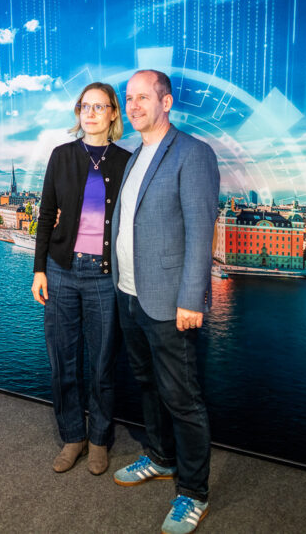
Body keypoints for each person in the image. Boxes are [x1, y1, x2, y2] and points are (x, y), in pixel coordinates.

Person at [110, 69, 219, 534]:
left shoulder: (193, 154)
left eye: (142, 98)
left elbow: (200, 231)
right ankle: (159, 456)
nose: (133, 106)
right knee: (146, 382)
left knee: (182, 398)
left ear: (167, 102)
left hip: (170, 299)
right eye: (128, 98)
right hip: (131, 293)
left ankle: (193, 492)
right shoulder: (136, 155)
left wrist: (191, 298)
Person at [32, 82, 131, 476]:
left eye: (99, 106)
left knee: (103, 363)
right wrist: (39, 268)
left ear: (112, 114)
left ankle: (99, 440)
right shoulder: (61, 156)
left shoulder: (127, 161)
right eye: (84, 106)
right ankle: (73, 435)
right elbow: (44, 215)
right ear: (78, 113)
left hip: (105, 278)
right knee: (63, 360)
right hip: (61, 271)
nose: (90, 113)